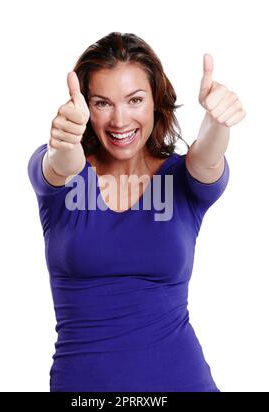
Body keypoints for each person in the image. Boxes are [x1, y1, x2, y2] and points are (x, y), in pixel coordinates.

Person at [27, 32, 246, 392]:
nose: (119, 120)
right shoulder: (60, 177)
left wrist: (217, 121)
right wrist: (65, 142)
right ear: (83, 105)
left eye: (134, 100)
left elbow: (207, 155)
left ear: (156, 101)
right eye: (102, 102)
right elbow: (60, 163)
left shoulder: (182, 178)